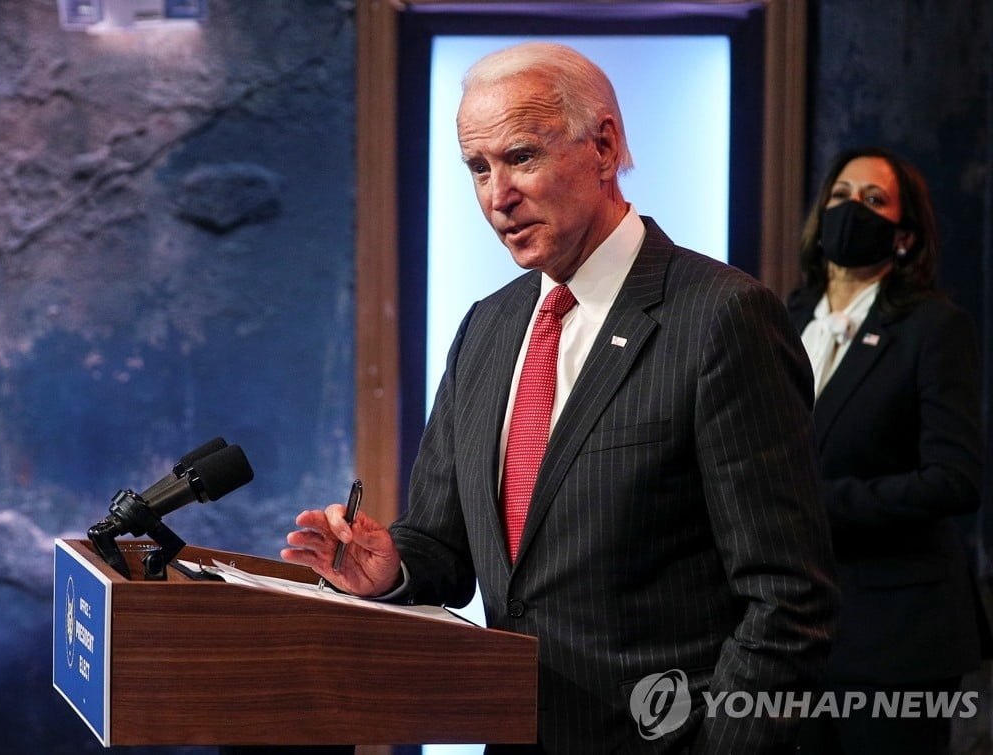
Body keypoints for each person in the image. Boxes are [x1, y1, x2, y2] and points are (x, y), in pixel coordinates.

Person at [283, 42, 837, 753]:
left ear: (603, 146)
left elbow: (789, 600)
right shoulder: (487, 325)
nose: (495, 196)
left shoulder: (721, 318)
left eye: (519, 157)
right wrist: (394, 567)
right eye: (477, 169)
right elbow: (443, 542)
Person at [787, 147, 984, 755]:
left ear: (903, 236)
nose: (854, 209)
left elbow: (954, 479)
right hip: (795, 631)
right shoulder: (784, 317)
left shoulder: (933, 327)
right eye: (842, 196)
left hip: (896, 634)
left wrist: (820, 504)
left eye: (875, 200)